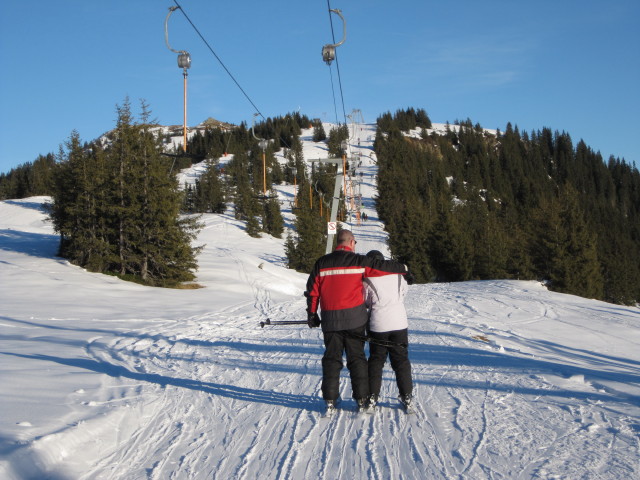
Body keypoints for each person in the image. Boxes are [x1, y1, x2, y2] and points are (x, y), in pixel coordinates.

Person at [305, 230, 407, 414]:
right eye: (355, 243)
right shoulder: (358, 261)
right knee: (357, 359)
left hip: (331, 321)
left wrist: (312, 314)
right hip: (355, 320)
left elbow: (312, 291)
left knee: (332, 359)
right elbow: (381, 267)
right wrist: (403, 269)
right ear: (351, 242)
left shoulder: (322, 263)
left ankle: (330, 399)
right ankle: (361, 399)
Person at [363, 250, 414, 412]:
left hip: (378, 324)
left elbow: (365, 301)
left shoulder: (367, 279)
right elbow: (404, 292)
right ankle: (406, 395)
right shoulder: (398, 276)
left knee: (376, 361)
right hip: (399, 323)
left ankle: (372, 396)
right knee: (401, 361)